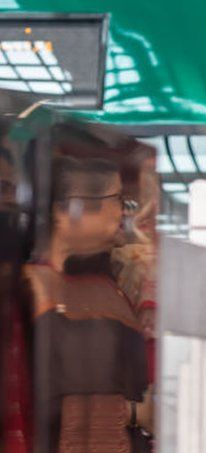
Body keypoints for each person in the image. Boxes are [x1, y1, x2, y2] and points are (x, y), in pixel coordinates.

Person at [22, 156, 153, 452]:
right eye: (116, 199)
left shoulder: (102, 286)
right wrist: (136, 413)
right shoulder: (35, 288)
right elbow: (50, 397)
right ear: (65, 210)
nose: (122, 211)